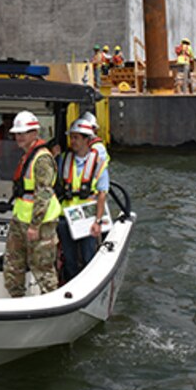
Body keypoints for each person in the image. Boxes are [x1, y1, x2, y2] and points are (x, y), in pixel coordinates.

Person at [4, 111, 62, 298]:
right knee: (13, 264)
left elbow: (44, 193)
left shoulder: (42, 158)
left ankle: (51, 303)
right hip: (20, 219)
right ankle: (17, 300)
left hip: (39, 223)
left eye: (24, 133)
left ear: (35, 133)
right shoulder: (28, 155)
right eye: (17, 133)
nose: (19, 137)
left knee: (42, 267)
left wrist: (35, 225)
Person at [56, 118, 110, 283]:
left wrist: (98, 221)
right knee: (70, 259)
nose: (73, 141)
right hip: (65, 218)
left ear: (87, 140)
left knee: (88, 257)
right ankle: (71, 284)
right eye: (71, 137)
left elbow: (102, 193)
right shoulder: (63, 159)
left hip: (87, 219)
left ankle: (89, 284)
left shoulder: (98, 164)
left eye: (76, 138)